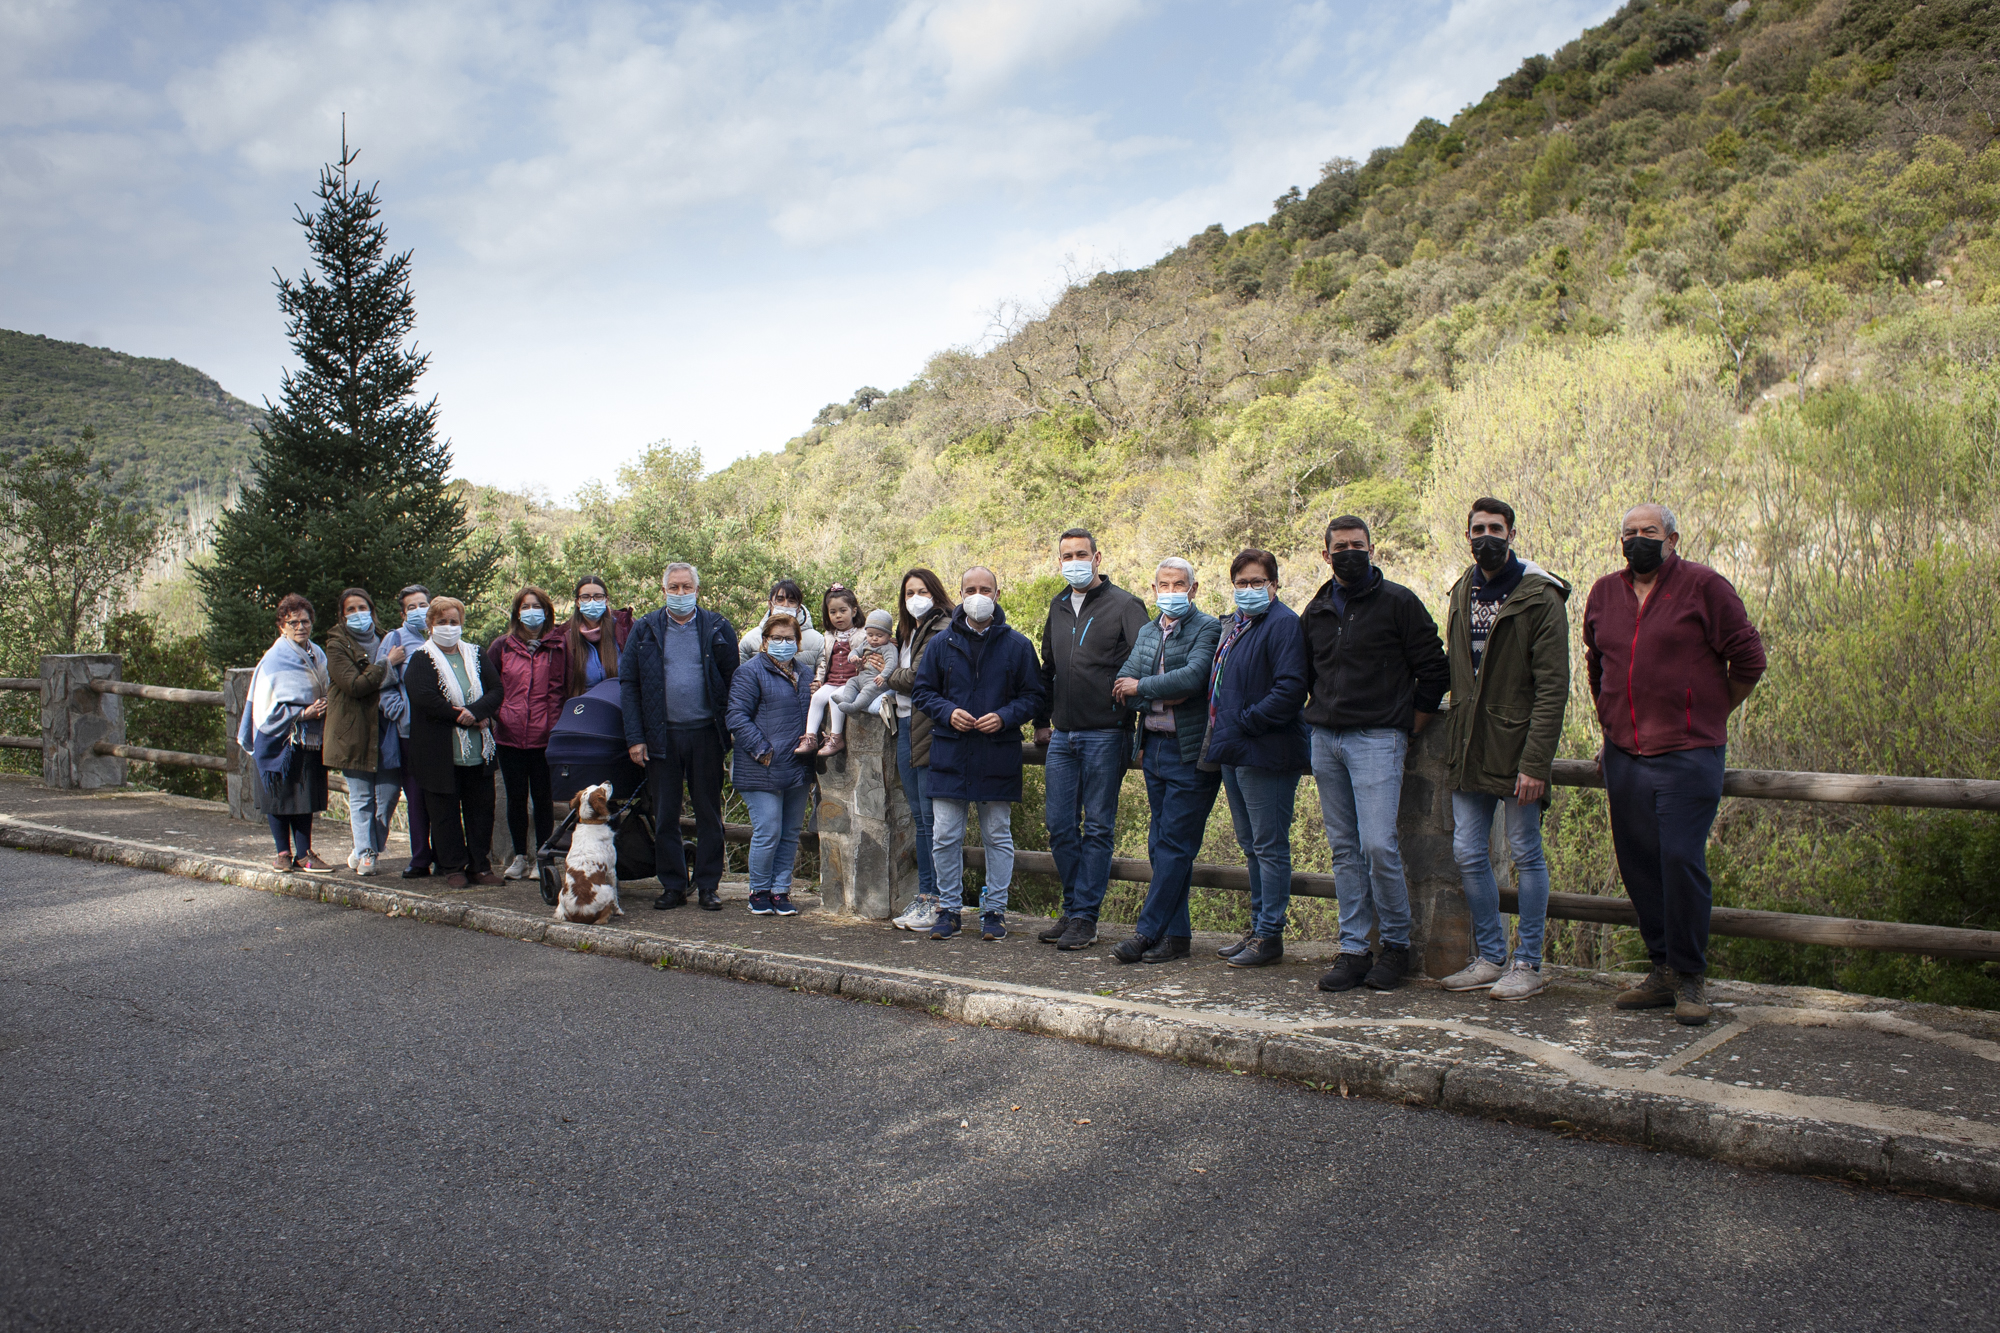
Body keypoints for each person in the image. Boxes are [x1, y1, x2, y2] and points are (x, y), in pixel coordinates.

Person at [1585, 503, 1765, 1027]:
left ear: (1673, 539)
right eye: (1629, 533)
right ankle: (1661, 970)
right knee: (1639, 863)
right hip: (1625, 757)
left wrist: (1708, 715)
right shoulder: (1603, 593)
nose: (1638, 540)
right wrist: (1611, 729)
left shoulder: (1705, 588)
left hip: (1688, 757)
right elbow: (1599, 668)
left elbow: (1749, 661)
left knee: (1681, 862)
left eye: (1649, 532)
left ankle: (1690, 978)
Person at [1302, 514, 1450, 993]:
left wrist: (1410, 726)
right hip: (1327, 740)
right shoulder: (1318, 608)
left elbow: (1434, 668)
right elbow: (1306, 672)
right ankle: (1353, 949)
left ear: (1372, 548)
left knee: (1378, 845)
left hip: (1378, 739)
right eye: (1340, 546)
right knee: (1344, 849)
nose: (1349, 553)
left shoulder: (1398, 602)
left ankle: (1397, 947)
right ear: (1325, 556)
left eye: (1357, 545)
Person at [1437, 498, 1571, 1002]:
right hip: (1469, 745)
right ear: (1466, 535)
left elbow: (1553, 686)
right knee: (1468, 852)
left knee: (1526, 855)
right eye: (1477, 529)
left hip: (1517, 750)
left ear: (1512, 533)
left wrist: (1536, 762)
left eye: (1495, 528)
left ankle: (1529, 962)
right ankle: (1491, 957)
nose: (1485, 536)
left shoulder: (1540, 596)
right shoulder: (1462, 590)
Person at [911, 566, 1045, 942]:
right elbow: (923, 692)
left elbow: (1034, 697)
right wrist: (947, 712)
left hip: (997, 754)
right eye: (971, 589)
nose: (978, 595)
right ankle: (949, 910)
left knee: (998, 836)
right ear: (960, 594)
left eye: (985, 589)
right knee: (945, 836)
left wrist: (1004, 717)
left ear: (998, 595)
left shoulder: (1017, 645)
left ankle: (995, 912)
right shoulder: (941, 644)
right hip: (950, 753)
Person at [1034, 527, 1151, 952]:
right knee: (1060, 826)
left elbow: (1147, 659)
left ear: (1098, 558)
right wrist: (1041, 720)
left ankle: (1085, 917)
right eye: (1067, 556)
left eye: (1081, 554)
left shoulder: (1125, 605)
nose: (1074, 562)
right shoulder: (1059, 604)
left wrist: (1127, 697)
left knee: (1098, 827)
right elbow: (1048, 667)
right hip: (1062, 734)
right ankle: (1072, 909)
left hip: (1106, 731)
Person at [1109, 558, 1222, 964]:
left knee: (1175, 845)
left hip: (1189, 751)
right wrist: (1157, 693)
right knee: (1161, 846)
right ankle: (1176, 938)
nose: (1171, 591)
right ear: (1153, 588)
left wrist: (1144, 687)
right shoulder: (1145, 630)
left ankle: (1146, 931)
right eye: (1164, 584)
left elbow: (1194, 679)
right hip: (1154, 747)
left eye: (1179, 584)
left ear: (1193, 589)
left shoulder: (1208, 627)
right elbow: (1122, 685)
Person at [1204, 549, 1310, 969]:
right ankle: (1256, 926)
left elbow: (1289, 689)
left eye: (1256, 581)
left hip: (1266, 749)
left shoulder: (1283, 624)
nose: (1248, 589)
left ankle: (1270, 934)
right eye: (1241, 583)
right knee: (1250, 845)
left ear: (1274, 584)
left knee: (1269, 845)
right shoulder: (1237, 626)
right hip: (1234, 747)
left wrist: (1247, 721)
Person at [621, 562, 740, 911]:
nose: (680, 594)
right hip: (661, 737)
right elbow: (629, 685)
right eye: (674, 588)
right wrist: (635, 737)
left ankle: (707, 885)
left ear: (697, 590)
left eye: (687, 587)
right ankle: (672, 884)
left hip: (706, 734)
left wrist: (731, 729)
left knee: (708, 813)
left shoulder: (717, 626)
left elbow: (733, 680)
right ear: (664, 591)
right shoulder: (644, 629)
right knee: (666, 814)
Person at [406, 597, 503, 889]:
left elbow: (496, 689)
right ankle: (452, 866)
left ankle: (480, 866)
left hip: (478, 749)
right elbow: (424, 698)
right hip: (439, 751)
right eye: (442, 622)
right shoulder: (422, 658)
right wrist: (462, 716)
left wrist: (477, 712)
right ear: (430, 625)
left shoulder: (476, 653)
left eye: (454, 622)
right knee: (444, 813)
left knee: (481, 810)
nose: (449, 627)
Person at [726, 610, 815, 916]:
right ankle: (759, 890)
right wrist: (763, 750)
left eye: (788, 638)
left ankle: (780, 890)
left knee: (790, 832)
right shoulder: (750, 672)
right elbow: (736, 716)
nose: (782, 643)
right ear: (764, 642)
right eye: (775, 638)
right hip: (760, 766)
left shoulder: (806, 674)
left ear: (798, 642)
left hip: (797, 767)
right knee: (768, 831)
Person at [239, 594, 335, 872]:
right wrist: (302, 714)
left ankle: (304, 855)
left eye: (305, 621)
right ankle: (283, 853)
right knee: (278, 797)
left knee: (303, 797)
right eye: (293, 622)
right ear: (282, 626)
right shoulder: (274, 659)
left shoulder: (317, 653)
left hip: (310, 738)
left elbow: (326, 686)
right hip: (279, 739)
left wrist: (324, 706)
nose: (300, 627)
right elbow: (266, 704)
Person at [883, 569, 954, 930]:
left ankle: (938, 899)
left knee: (931, 820)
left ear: (936, 593)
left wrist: (884, 675)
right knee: (920, 817)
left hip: (927, 727)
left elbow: (918, 678)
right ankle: (928, 896)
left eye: (922, 591)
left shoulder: (941, 627)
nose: (915, 598)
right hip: (907, 725)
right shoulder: (909, 630)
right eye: (909, 592)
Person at [324, 587, 405, 877]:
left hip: (386, 730)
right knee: (361, 797)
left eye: (363, 608)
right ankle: (368, 853)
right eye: (351, 610)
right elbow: (354, 685)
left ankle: (365, 847)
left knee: (389, 794)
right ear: (342, 615)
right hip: (354, 730)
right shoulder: (336, 646)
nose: (358, 614)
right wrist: (386, 665)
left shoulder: (388, 640)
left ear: (372, 610)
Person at [490, 586, 568, 880]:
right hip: (509, 736)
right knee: (515, 797)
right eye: (525, 606)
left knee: (543, 799)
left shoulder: (559, 647)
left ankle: (544, 856)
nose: (531, 611)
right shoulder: (503, 646)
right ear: (516, 612)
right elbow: (491, 686)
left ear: (547, 611)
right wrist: (501, 716)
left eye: (537, 606)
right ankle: (520, 856)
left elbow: (565, 688)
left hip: (546, 737)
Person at [378, 584, 436, 878]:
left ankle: (443, 852)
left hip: (438, 731)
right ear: (403, 613)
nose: (418, 611)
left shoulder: (437, 637)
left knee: (438, 794)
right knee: (415, 796)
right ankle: (419, 857)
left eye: (422, 604)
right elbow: (380, 681)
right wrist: (399, 710)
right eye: (411, 606)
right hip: (409, 733)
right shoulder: (395, 639)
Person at [802, 585, 866, 757]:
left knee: (834, 698)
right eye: (833, 612)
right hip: (833, 680)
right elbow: (824, 661)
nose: (838, 616)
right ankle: (810, 737)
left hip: (853, 681)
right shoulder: (829, 636)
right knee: (816, 697)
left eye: (842, 610)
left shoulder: (863, 634)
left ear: (854, 611)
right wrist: (819, 680)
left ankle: (836, 737)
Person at [562, 574, 633, 698]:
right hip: (583, 709)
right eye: (585, 597)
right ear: (577, 602)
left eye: (598, 597)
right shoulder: (565, 638)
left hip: (621, 706)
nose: (592, 602)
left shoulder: (625, 628)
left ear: (606, 600)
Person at [739, 579, 825, 677]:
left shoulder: (817, 641)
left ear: (798, 607)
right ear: (770, 604)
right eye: (780, 600)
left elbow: (822, 680)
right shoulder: (749, 640)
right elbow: (741, 677)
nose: (785, 605)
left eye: (791, 601)